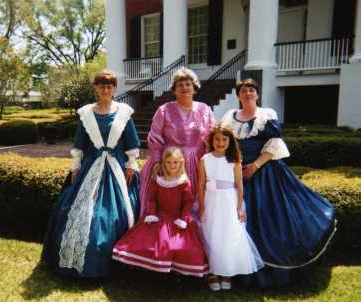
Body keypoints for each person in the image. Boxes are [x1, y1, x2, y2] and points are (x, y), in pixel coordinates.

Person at [220, 79, 336, 288]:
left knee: (269, 219)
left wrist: (255, 166)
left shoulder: (267, 115)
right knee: (237, 220)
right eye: (244, 90)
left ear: (257, 94)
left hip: (265, 173)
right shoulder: (229, 117)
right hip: (236, 174)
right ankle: (239, 269)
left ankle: (270, 273)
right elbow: (223, 144)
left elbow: (274, 144)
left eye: (252, 90)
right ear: (238, 95)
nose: (248, 93)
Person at [41, 69, 140, 278]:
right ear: (95, 88)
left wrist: (131, 164)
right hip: (90, 168)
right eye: (102, 86)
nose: (106, 89)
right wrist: (75, 168)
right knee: (76, 211)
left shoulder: (124, 112)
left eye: (110, 86)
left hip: (117, 171)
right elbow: (79, 144)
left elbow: (131, 143)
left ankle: (119, 262)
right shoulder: (86, 114)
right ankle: (74, 259)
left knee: (111, 216)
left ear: (114, 89)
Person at [112, 147, 209, 277]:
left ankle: (175, 271)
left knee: (181, 246)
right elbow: (151, 200)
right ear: (164, 163)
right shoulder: (157, 180)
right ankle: (149, 269)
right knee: (145, 242)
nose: (172, 165)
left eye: (175, 162)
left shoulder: (184, 182)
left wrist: (183, 218)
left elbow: (188, 202)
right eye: (169, 162)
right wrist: (151, 213)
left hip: (177, 219)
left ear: (181, 163)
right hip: (159, 217)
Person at [139, 68, 215, 216]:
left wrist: (213, 162)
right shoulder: (164, 110)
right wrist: (156, 162)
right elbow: (154, 138)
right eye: (180, 85)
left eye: (188, 84)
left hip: (198, 164)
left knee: (195, 205)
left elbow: (212, 136)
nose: (185, 87)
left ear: (194, 88)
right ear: (174, 90)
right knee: (168, 206)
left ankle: (193, 235)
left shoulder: (205, 110)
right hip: (171, 164)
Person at [198, 125, 264, 291]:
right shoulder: (205, 159)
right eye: (217, 139)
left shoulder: (234, 160)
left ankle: (226, 271)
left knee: (227, 235)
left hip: (228, 201)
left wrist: (239, 207)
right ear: (211, 140)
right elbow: (200, 185)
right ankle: (213, 272)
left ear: (230, 141)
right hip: (211, 200)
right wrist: (201, 205)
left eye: (224, 139)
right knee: (211, 234)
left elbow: (239, 184)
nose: (220, 142)